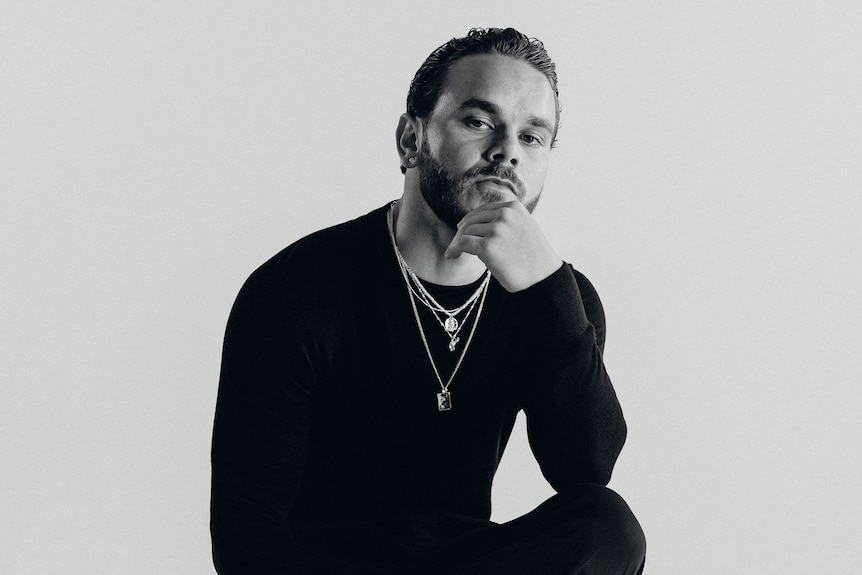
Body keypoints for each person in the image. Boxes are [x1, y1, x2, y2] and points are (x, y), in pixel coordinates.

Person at [211, 27, 646, 575]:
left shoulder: (555, 298)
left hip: (470, 560)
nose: (506, 152)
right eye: (478, 121)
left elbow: (585, 468)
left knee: (608, 524)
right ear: (410, 141)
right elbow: (247, 522)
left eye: (532, 137)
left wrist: (546, 291)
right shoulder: (296, 290)